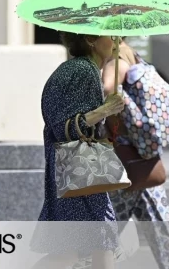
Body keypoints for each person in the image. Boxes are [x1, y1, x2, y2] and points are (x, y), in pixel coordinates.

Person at [30, 32, 126, 269]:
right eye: (111, 35)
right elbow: (66, 127)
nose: (118, 41)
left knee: (86, 247)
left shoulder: (78, 69)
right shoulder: (83, 71)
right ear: (90, 39)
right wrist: (104, 110)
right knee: (96, 242)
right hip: (78, 170)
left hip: (71, 169)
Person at [102, 39, 169, 269]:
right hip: (146, 163)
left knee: (101, 243)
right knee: (165, 246)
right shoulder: (134, 55)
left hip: (124, 163)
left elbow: (108, 88)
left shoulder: (116, 57)